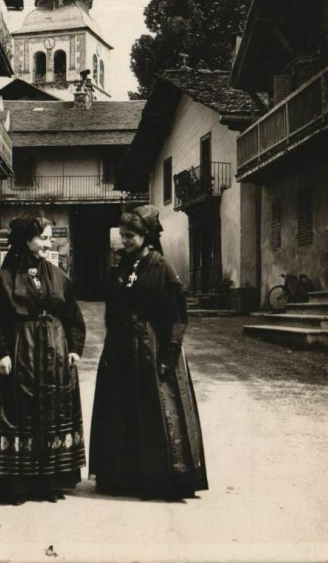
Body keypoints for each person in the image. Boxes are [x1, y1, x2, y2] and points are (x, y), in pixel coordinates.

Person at [89, 205, 208, 500]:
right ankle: (122, 477)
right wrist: (111, 342)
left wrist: (167, 357)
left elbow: (176, 319)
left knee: (152, 411)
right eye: (121, 236)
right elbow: (112, 309)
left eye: (129, 236)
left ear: (145, 236)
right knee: (122, 410)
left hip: (151, 349)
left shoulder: (161, 268)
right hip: (121, 350)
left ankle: (155, 479)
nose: (124, 241)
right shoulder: (123, 266)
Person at [0, 215, 86, 505]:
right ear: (27, 241)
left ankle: (49, 483)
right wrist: (0, 353)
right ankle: (17, 486)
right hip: (21, 352)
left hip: (54, 354)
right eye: (44, 239)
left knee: (52, 411)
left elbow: (72, 315)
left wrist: (74, 347)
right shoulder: (3, 279)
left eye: (49, 238)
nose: (48, 244)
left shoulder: (58, 275)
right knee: (18, 413)